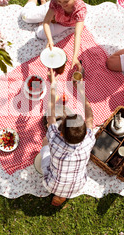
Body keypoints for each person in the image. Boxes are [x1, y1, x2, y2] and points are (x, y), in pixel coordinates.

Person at [40, 68, 96, 206]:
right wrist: (80, 90)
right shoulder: (89, 140)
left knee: (44, 141)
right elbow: (90, 116)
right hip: (78, 185)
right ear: (85, 132)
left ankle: (59, 193)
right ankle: (62, 195)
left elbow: (51, 116)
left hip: (50, 184)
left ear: (61, 133)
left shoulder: (53, 138)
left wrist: (53, 85)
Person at [19, 0, 87, 72]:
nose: (62, 5)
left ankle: (43, 2)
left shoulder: (80, 10)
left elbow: (77, 35)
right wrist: (50, 40)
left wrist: (75, 57)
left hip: (65, 24)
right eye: (59, 1)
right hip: (53, 12)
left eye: (66, 1)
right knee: (25, 17)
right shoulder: (56, 2)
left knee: (40, 34)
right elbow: (46, 22)